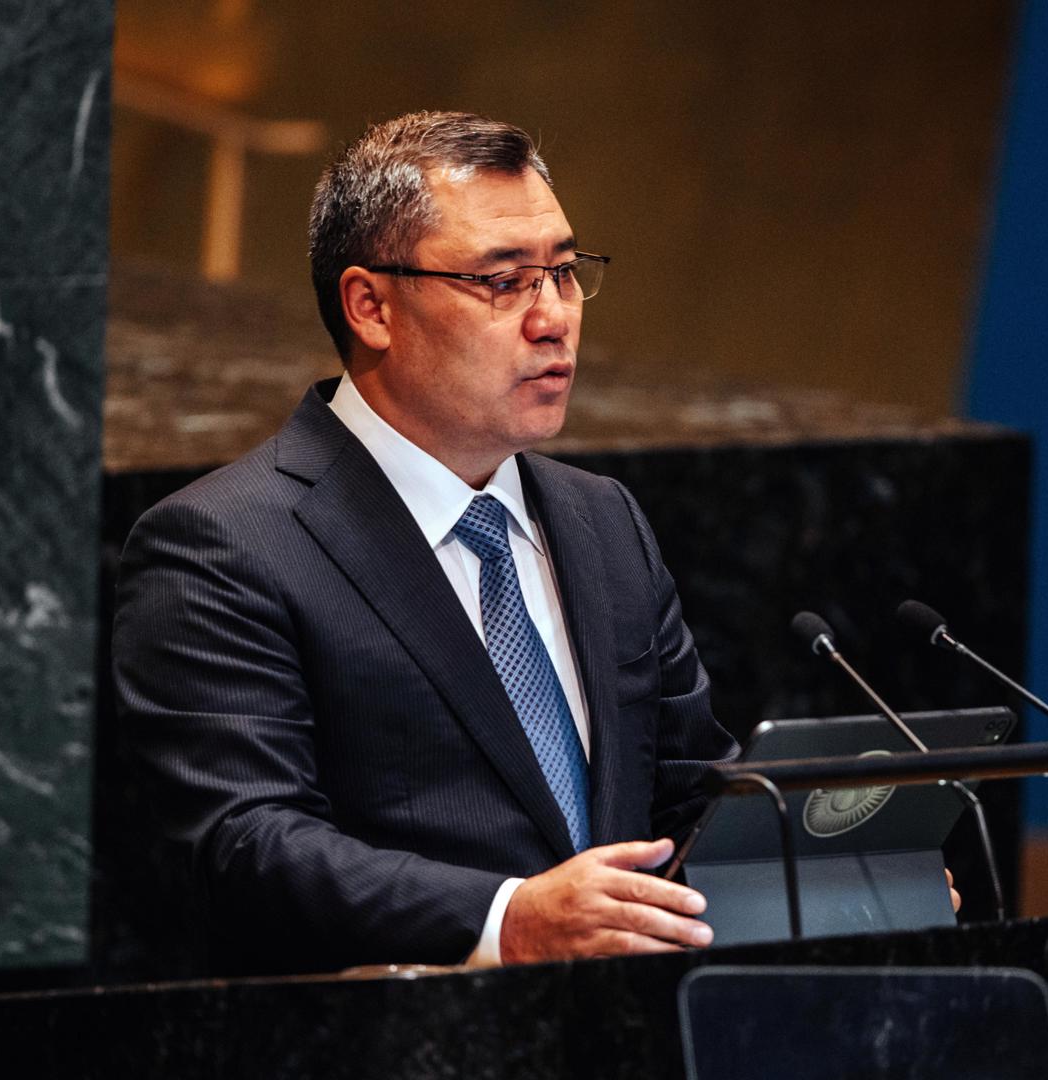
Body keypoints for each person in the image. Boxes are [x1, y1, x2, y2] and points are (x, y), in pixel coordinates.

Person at [113, 111, 739, 974]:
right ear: (371, 306)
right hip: (389, 1072)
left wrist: (824, 872)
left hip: (628, 1063)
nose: (554, 317)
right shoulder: (224, 547)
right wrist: (506, 919)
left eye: (563, 272)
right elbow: (247, 842)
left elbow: (691, 785)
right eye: (503, 281)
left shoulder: (604, 521)